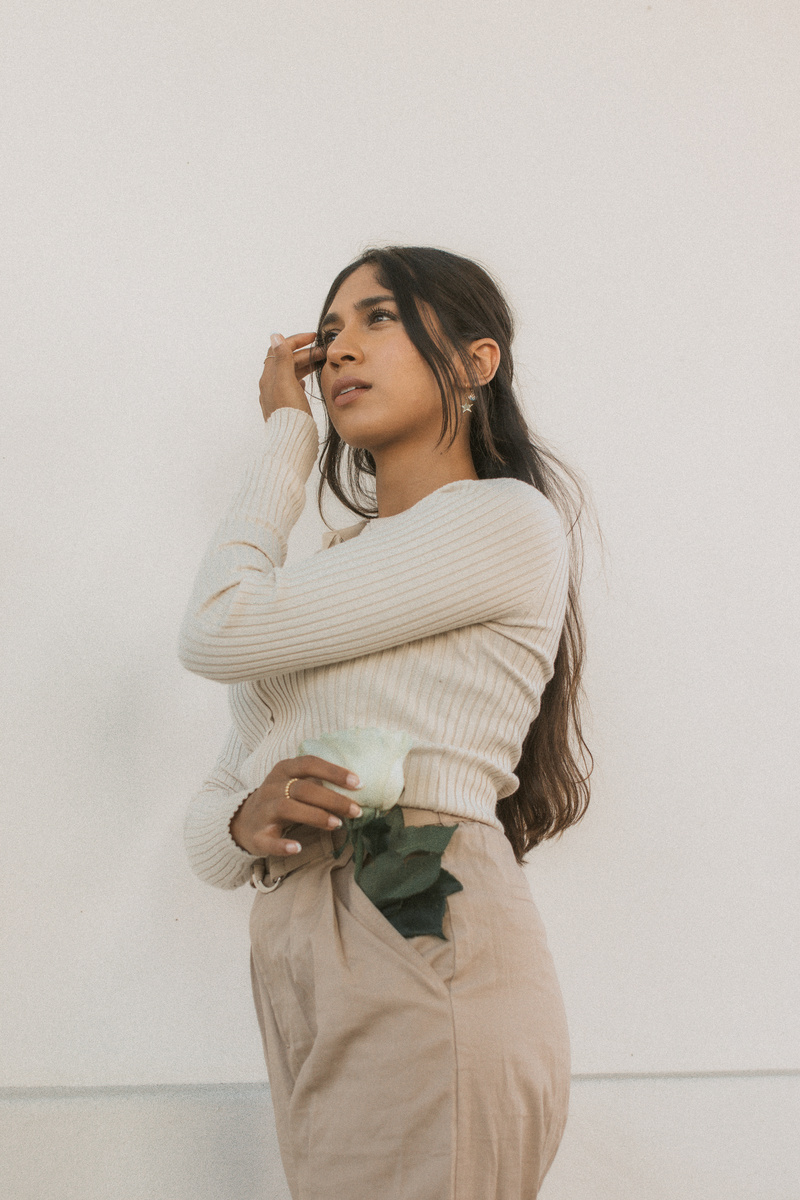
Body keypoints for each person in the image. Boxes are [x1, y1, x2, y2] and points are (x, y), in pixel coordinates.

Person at [177, 245, 593, 1200]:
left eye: (380, 318)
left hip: (418, 927)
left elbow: (213, 630)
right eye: (328, 333)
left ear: (475, 361)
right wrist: (248, 819)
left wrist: (287, 432)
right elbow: (210, 830)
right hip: (298, 960)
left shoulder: (500, 522)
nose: (341, 350)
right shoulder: (335, 574)